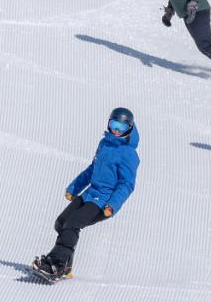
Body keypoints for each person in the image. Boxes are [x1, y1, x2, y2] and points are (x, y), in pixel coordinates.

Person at [33, 107, 141, 279]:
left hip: (103, 202)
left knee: (73, 223)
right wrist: (74, 188)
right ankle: (66, 266)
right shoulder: (104, 144)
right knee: (61, 223)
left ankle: (56, 263)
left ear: (129, 128)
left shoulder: (129, 154)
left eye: (121, 127)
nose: (116, 130)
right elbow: (92, 170)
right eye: (114, 124)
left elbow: (126, 185)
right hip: (90, 194)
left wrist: (112, 205)